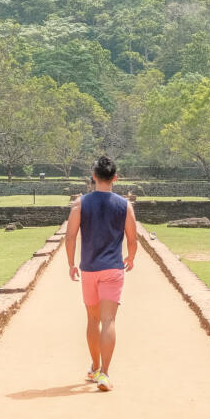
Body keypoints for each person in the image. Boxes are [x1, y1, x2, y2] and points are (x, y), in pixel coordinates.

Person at [65, 154, 137, 392]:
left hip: (89, 269)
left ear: (93, 177)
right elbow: (132, 238)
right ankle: (105, 373)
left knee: (93, 319)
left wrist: (70, 263)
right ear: (114, 178)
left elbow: (70, 236)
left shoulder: (80, 204)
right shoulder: (124, 205)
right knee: (108, 321)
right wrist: (131, 257)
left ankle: (95, 366)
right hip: (113, 269)